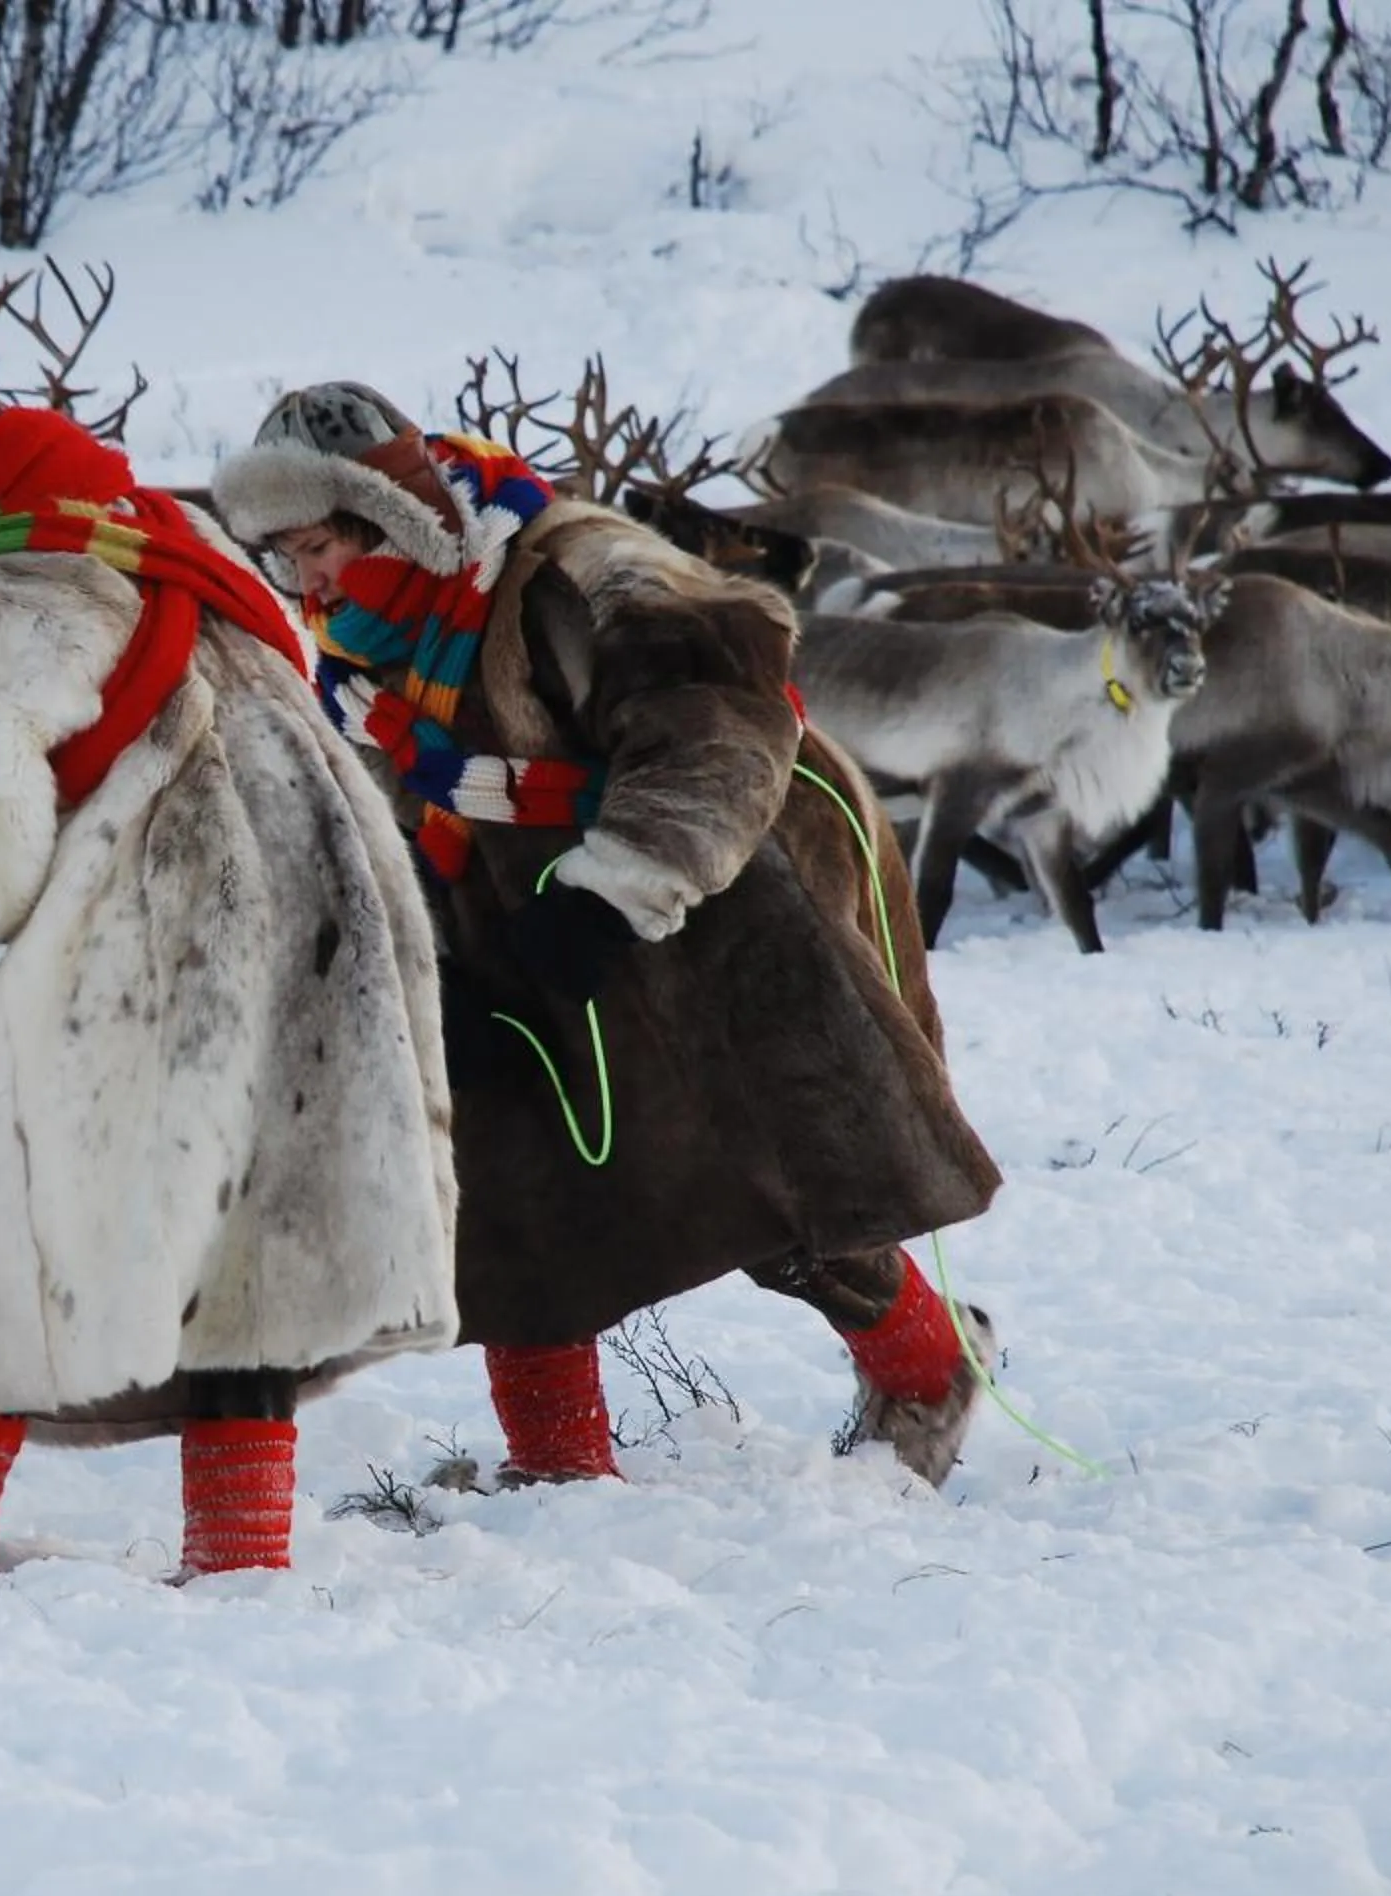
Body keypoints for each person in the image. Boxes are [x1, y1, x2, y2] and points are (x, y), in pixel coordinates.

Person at [209, 383, 1005, 1488]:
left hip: (728, 876)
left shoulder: (581, 572)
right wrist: (438, 961)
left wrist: (608, 894)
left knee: (772, 1170)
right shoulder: (358, 646)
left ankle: (929, 1370)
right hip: (511, 907)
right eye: (282, 556)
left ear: (383, 517)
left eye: (315, 547)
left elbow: (718, 732)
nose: (305, 582)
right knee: (505, 1162)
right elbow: (395, 802)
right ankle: (560, 1472)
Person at [0, 368, 459, 1581]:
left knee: (6, 1235)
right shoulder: (182, 536)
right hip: (322, 937)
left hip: (142, 952)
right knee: (255, 1250)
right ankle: (243, 1558)